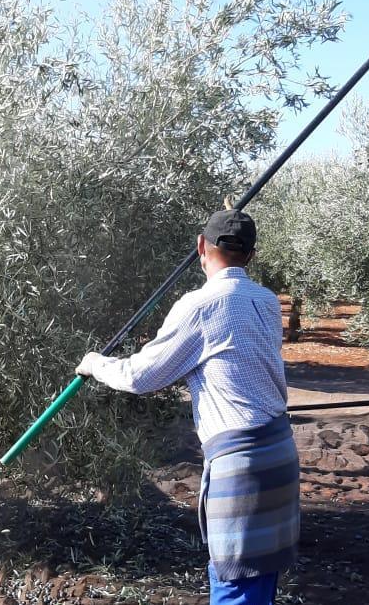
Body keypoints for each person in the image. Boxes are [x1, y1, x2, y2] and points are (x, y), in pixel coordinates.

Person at [75, 209, 297, 605]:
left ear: (200, 246)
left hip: (240, 463)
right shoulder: (267, 301)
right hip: (280, 454)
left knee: (234, 582)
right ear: (252, 255)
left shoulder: (199, 306)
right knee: (259, 577)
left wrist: (95, 364)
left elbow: (141, 375)